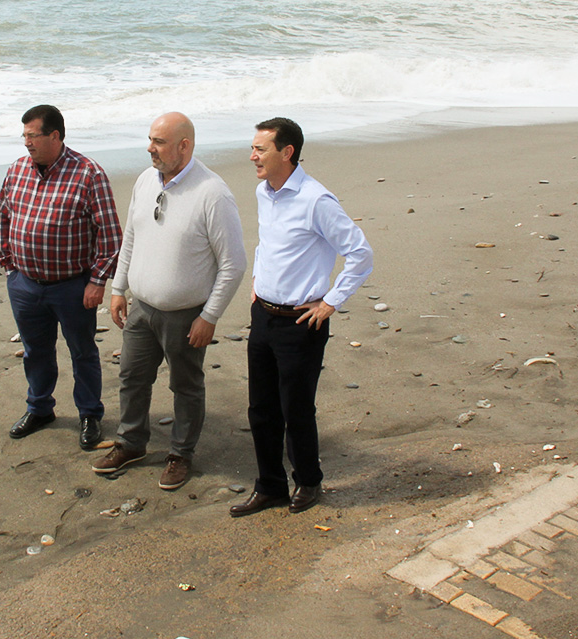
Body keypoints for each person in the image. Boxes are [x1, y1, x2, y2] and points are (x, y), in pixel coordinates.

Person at [91, 112, 246, 490]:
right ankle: (131, 443)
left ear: (184, 146)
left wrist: (209, 316)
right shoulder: (146, 181)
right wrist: (117, 289)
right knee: (132, 378)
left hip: (186, 314)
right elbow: (131, 238)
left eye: (158, 142)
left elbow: (234, 264)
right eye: (150, 140)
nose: (150, 148)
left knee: (186, 385)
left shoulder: (212, 192)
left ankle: (181, 453)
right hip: (142, 308)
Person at [230, 117, 373, 517]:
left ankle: (308, 481)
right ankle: (270, 486)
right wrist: (258, 280)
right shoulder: (264, 192)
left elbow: (360, 254)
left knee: (296, 409)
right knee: (261, 409)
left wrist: (330, 302)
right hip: (264, 315)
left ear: (286, 152)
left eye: (261, 149)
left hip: (301, 322)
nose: (253, 155)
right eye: (253, 148)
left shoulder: (316, 200)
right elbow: (267, 242)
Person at [0, 104, 122, 449]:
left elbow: (110, 235)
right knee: (35, 350)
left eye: (32, 135)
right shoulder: (17, 170)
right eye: (23, 136)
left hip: (71, 286)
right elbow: (3, 214)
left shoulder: (88, 174)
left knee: (82, 351)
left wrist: (97, 281)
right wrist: (7, 263)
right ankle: (39, 408)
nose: (26, 143)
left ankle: (89, 414)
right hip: (24, 283)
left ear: (55, 135)